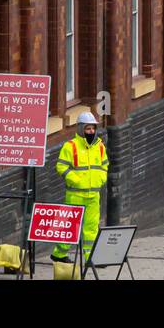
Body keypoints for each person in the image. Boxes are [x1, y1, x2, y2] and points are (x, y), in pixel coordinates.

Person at [51, 111, 109, 265]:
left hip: (93, 194)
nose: (91, 132)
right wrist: (76, 180)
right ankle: (59, 254)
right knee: (70, 226)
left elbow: (105, 165)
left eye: (93, 129)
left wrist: (102, 178)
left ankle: (91, 258)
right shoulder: (70, 146)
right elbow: (61, 166)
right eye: (88, 129)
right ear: (80, 129)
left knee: (91, 227)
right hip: (75, 194)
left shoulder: (99, 146)